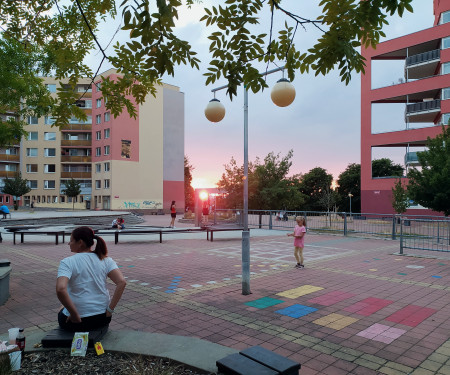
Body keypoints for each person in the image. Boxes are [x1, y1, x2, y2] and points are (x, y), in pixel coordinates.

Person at [56, 226, 126, 332]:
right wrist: (110, 309)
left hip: (77, 321)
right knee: (64, 304)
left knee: (61, 307)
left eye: (71, 241)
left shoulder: (67, 262)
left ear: (80, 242)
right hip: (102, 318)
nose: (68, 244)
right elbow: (121, 282)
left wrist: (74, 315)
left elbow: (60, 289)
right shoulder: (105, 259)